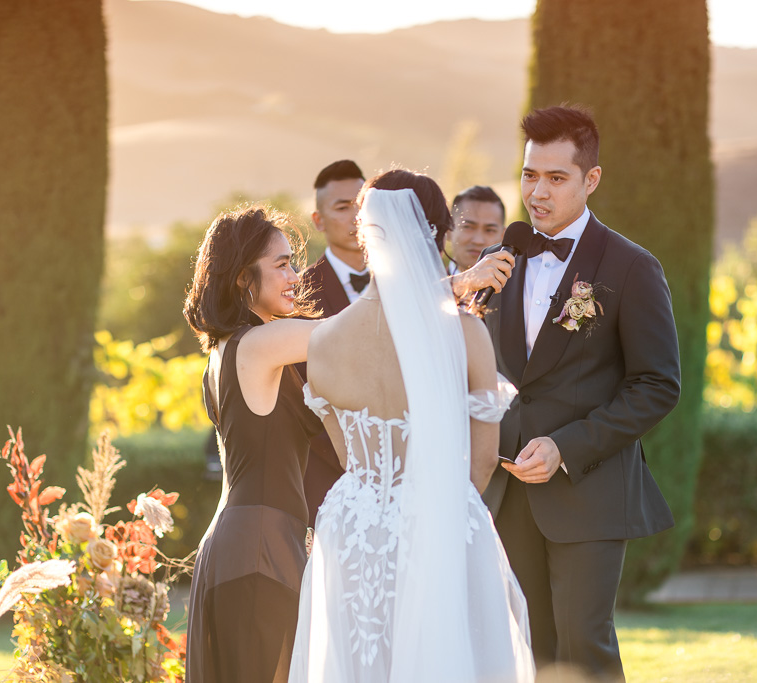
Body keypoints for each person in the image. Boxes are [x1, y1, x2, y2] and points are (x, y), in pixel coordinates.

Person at [289, 170, 534, 682]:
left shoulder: (325, 340)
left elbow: (343, 454)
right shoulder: (463, 330)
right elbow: (483, 459)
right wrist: (443, 517)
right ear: (438, 234)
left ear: (365, 233)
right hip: (441, 516)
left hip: (351, 528)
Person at [480, 105, 681, 680]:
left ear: (591, 180)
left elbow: (657, 384)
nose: (537, 192)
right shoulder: (502, 262)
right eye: (528, 175)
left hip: (590, 490)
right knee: (530, 650)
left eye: (555, 178)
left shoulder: (631, 267)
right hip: (509, 491)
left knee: (584, 648)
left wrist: (567, 446)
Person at [182, 205, 324, 683]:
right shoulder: (260, 345)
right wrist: (452, 285)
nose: (295, 276)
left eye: (293, 262)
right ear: (244, 279)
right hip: (259, 550)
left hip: (243, 544)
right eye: (281, 265)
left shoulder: (228, 351)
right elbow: (352, 335)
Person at [300, 160, 366, 524]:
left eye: (361, 205)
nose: (356, 216)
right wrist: (361, 458)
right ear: (319, 220)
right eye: (343, 207)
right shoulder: (299, 296)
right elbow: (302, 397)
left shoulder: (406, 284)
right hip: (329, 481)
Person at [446, 185, 506, 276]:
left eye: (489, 230)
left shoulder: (521, 287)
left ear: (503, 236)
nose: (478, 241)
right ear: (449, 229)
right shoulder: (429, 286)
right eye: (468, 227)